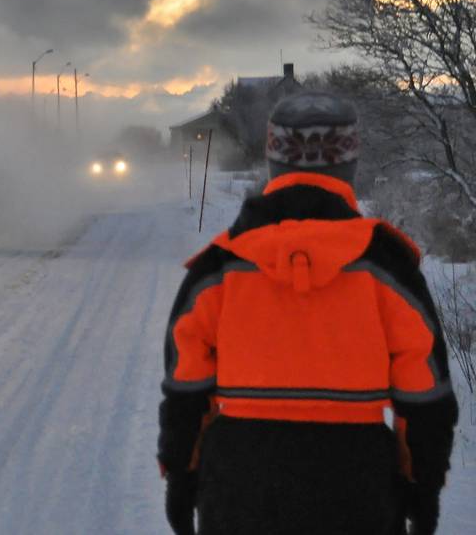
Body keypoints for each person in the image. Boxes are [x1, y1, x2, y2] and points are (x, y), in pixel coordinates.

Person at [157, 91, 458, 535]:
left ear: (274, 157)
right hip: (358, 483)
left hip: (241, 485)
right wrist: (424, 485)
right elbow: (425, 392)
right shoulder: (386, 267)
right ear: (348, 161)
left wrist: (182, 475)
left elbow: (186, 389)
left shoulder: (219, 269)